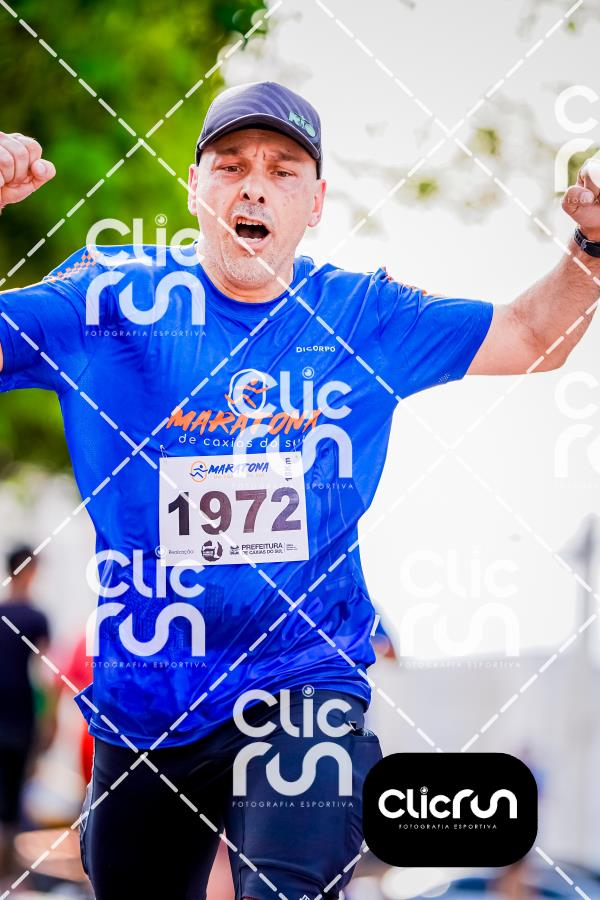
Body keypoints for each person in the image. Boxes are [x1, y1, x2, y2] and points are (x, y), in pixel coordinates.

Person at [0, 80, 598, 898]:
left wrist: (590, 247)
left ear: (315, 203)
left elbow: (531, 337)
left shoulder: (361, 316)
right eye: (231, 166)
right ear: (195, 188)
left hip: (302, 681)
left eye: (283, 171)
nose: (254, 186)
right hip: (149, 702)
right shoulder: (108, 301)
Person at [0, 546, 50, 880]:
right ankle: (7, 872)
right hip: (21, 716)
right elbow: (44, 674)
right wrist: (49, 719)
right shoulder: (35, 618)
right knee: (15, 794)